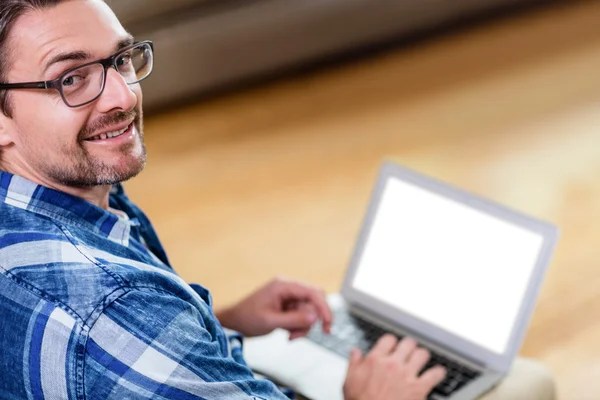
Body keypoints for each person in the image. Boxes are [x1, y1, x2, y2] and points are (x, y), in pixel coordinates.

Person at [0, 1, 554, 399]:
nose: (122, 95)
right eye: (70, 78)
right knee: (528, 386)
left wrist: (217, 321)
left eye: (121, 60)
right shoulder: (112, 308)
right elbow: (107, 327)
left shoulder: (65, 205)